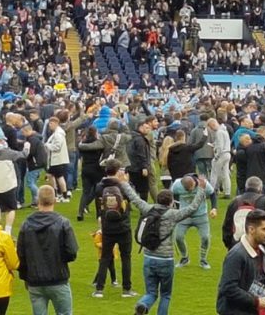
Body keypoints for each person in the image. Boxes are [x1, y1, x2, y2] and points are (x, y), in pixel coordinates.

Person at [117, 169, 207, 315]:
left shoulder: (148, 209)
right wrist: (201, 189)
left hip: (149, 257)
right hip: (166, 259)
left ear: (157, 200)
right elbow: (192, 208)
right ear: (171, 202)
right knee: (165, 294)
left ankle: (143, 304)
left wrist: (124, 183)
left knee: (151, 292)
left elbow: (134, 198)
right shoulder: (173, 215)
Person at [17, 185, 79, 315]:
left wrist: (25, 276)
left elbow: (21, 254)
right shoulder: (63, 223)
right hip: (58, 278)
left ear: (37, 200)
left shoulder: (26, 225)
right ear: (55, 200)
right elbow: (72, 251)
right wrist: (59, 259)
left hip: (35, 280)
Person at [91, 159, 135, 299]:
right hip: (123, 226)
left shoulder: (99, 186)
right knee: (126, 258)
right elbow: (132, 198)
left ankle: (99, 289)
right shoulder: (123, 186)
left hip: (107, 227)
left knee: (105, 258)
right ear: (117, 171)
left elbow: (99, 206)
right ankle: (126, 289)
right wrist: (126, 182)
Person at [222, 176, 265, 254]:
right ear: (260, 188)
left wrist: (231, 246)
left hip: (236, 247)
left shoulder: (234, 202)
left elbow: (227, 228)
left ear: (246, 187)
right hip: (260, 249)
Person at [171, 175, 217, 269]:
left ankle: (203, 260)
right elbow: (171, 194)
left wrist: (214, 208)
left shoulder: (203, 183)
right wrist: (175, 208)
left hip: (201, 215)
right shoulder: (177, 184)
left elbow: (212, 194)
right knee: (178, 237)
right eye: (186, 190)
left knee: (205, 237)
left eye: (191, 189)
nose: (189, 191)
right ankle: (184, 257)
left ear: (194, 183)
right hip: (184, 216)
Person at [77, 126, 103, 221]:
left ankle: (80, 212)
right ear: (96, 133)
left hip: (86, 168)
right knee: (98, 192)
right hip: (96, 169)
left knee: (85, 192)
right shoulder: (98, 144)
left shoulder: (83, 144)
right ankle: (98, 214)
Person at [44, 116, 72, 201]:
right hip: (56, 159)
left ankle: (63, 195)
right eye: (49, 123)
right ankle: (57, 193)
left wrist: (47, 145)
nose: (50, 125)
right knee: (51, 175)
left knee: (59, 177)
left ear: (56, 123)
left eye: (51, 123)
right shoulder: (57, 132)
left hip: (57, 159)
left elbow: (57, 147)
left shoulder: (58, 134)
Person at [127, 122, 153, 201]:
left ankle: (127, 206)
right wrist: (144, 167)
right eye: (146, 128)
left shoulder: (131, 137)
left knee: (129, 188)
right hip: (139, 168)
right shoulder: (140, 139)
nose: (148, 130)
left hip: (130, 166)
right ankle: (143, 206)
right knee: (143, 190)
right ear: (140, 128)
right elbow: (141, 154)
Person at [210, 118, 232, 198]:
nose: (212, 130)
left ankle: (211, 191)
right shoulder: (225, 130)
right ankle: (227, 192)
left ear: (213, 125)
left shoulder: (219, 132)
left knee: (214, 173)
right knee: (225, 174)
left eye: (211, 127)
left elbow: (220, 146)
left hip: (222, 154)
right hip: (227, 153)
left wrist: (216, 156)